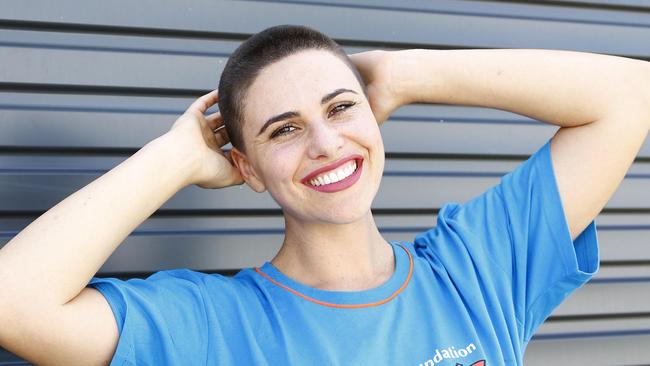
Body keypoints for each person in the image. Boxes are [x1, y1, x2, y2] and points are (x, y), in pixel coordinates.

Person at [0, 24, 648, 365]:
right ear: (246, 168)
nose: (326, 143)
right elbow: (13, 306)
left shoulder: (478, 270)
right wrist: (175, 156)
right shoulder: (210, 324)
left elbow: (630, 96)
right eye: (283, 130)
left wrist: (408, 72)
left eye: (341, 108)